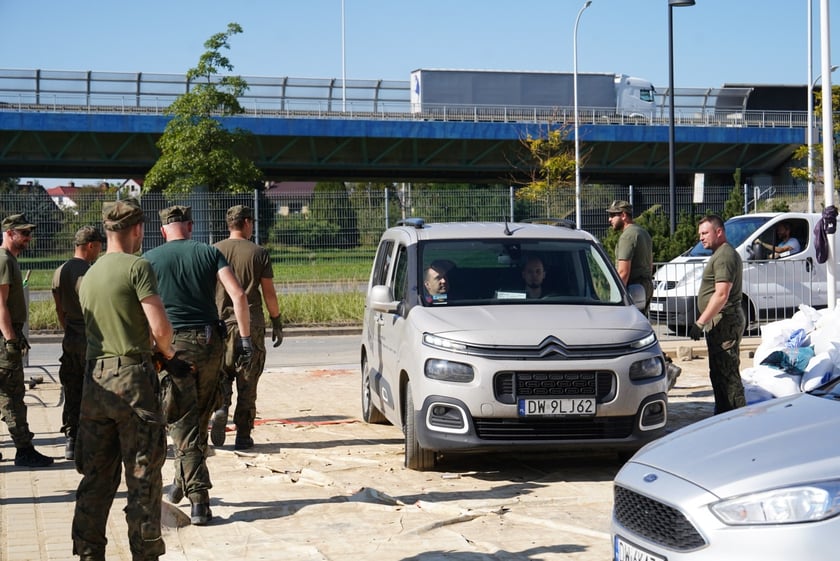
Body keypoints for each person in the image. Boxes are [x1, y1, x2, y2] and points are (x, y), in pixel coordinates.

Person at [72, 198, 178, 561]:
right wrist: (166, 353)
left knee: (96, 478)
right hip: (133, 380)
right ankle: (144, 554)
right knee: (143, 478)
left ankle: (88, 552)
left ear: (106, 231)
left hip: (95, 382)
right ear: (137, 230)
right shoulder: (138, 267)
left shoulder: (88, 276)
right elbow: (161, 328)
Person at [144, 205, 252, 526]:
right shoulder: (208, 252)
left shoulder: (149, 259)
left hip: (172, 345)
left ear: (164, 230)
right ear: (189, 226)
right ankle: (182, 481)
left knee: (182, 419)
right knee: (199, 415)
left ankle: (199, 500)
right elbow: (238, 295)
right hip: (210, 342)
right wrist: (244, 340)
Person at [210, 205, 283, 450]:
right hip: (250, 326)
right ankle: (243, 434)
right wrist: (276, 319)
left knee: (221, 374)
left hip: (220, 323)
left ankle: (220, 408)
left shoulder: (214, 251)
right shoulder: (259, 253)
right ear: (247, 222)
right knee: (248, 380)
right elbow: (269, 293)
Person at [0, 213, 54, 468]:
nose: (28, 238)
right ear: (9, 233)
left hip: (7, 336)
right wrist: (11, 339)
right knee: (12, 396)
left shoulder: (9, 259)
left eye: (29, 233)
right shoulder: (3, 260)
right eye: (24, 233)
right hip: (5, 339)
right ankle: (24, 450)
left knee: (5, 395)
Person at [51, 225, 104, 460]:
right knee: (92, 389)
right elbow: (93, 307)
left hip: (70, 335)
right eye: (99, 247)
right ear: (90, 245)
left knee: (71, 388)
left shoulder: (59, 270)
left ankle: (71, 439)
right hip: (88, 337)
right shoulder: (87, 272)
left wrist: (68, 330)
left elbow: (59, 308)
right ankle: (91, 440)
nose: (99, 252)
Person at [689, 214, 746, 415]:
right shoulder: (720, 254)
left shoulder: (724, 256)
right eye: (700, 234)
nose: (701, 238)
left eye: (705, 233)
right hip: (720, 323)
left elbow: (722, 294)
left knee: (728, 377)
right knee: (720, 375)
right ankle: (724, 416)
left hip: (725, 323)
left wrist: (700, 322)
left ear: (719, 232)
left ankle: (736, 420)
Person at [607, 200, 654, 313]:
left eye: (613, 215)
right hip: (645, 287)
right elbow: (650, 265)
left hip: (633, 289)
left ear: (623, 215)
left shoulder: (627, 236)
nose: (609, 219)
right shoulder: (642, 232)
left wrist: (615, 299)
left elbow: (623, 272)